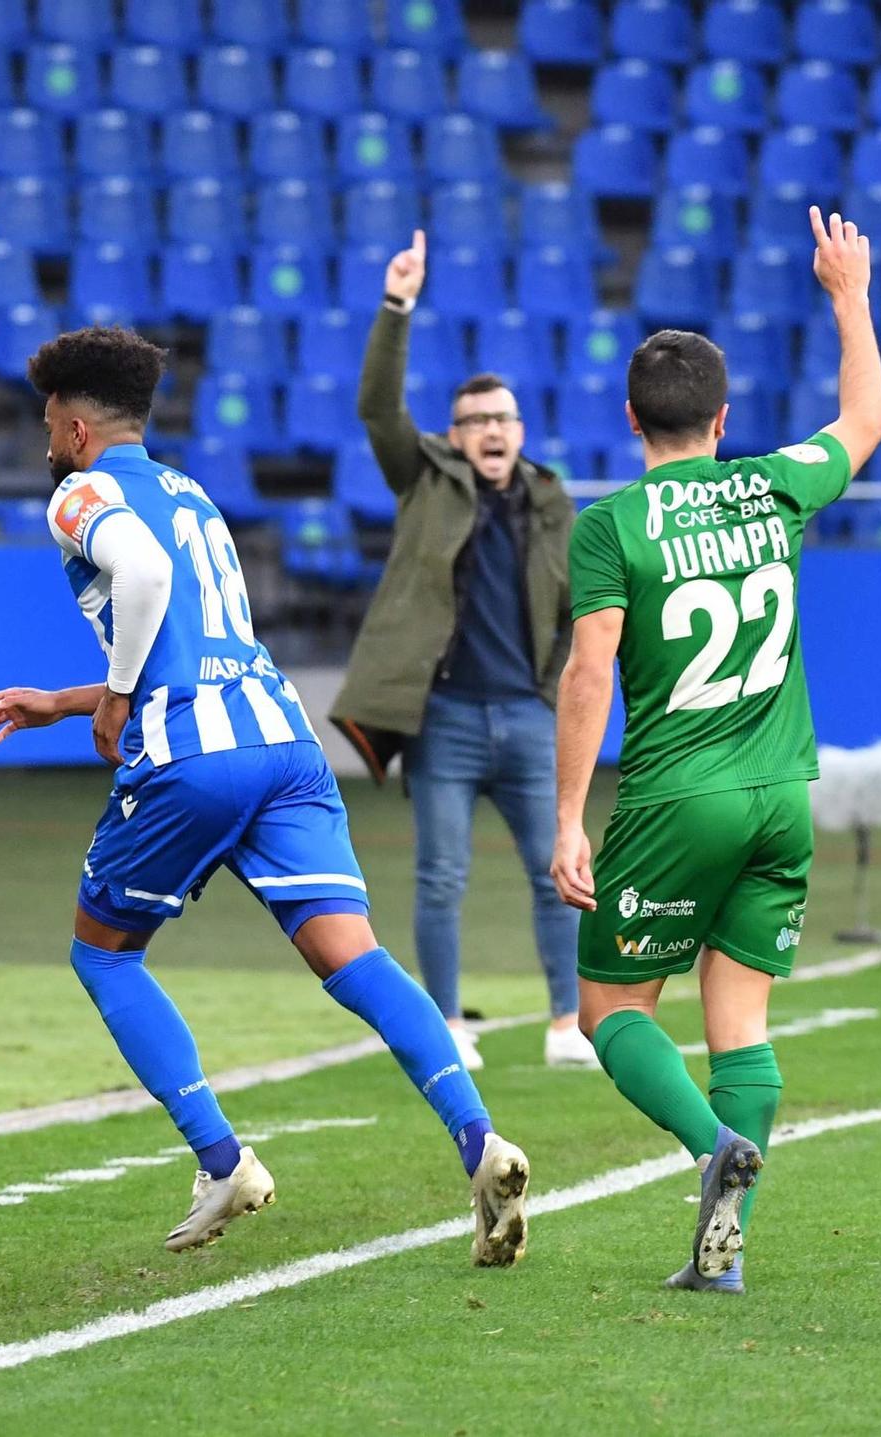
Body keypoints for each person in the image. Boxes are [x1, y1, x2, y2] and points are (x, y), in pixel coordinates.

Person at [0, 326, 530, 1266]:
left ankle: (221, 1160)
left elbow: (143, 585)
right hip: (282, 739)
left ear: (72, 427)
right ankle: (482, 1142)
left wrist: (108, 695)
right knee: (356, 958)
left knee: (103, 955)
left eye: (45, 425)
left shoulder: (81, 493)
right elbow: (196, 634)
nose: (46, 442)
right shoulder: (191, 493)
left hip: (190, 754)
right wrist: (70, 701)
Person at [549, 209, 881, 1294]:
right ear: (720, 416)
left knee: (608, 1009)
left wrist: (566, 818)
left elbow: (587, 671)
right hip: (783, 791)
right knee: (735, 1016)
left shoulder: (609, 525)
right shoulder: (772, 483)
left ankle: (710, 1150)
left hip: (675, 796)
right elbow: (866, 417)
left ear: (629, 419)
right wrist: (847, 295)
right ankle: (721, 1252)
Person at [330, 229, 592, 1074]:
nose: (491, 431)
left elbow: (577, 608)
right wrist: (397, 305)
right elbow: (377, 407)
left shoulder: (553, 501)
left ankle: (566, 1023)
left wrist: (552, 691)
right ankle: (445, 1021)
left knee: (558, 868)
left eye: (503, 418)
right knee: (440, 875)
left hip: (525, 714)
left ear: (520, 429)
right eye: (475, 420)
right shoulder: (425, 477)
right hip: (443, 714)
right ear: (454, 434)